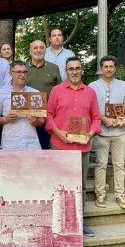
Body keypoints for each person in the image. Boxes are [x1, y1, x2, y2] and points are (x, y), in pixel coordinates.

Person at [46, 56, 101, 237]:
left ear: (82, 70)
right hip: (60, 145)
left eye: (78, 68)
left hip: (81, 147)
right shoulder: (56, 90)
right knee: (58, 185)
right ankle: (56, 223)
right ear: (66, 71)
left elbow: (96, 118)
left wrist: (90, 134)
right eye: (71, 69)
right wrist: (59, 132)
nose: (74, 72)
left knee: (80, 186)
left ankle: (79, 220)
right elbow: (49, 115)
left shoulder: (90, 92)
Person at [89, 55, 125, 209]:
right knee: (100, 164)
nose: (108, 69)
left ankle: (120, 196)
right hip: (101, 132)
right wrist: (103, 119)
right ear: (101, 68)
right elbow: (90, 108)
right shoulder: (92, 86)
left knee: (119, 165)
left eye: (111, 66)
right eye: (105, 66)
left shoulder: (123, 85)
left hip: (120, 132)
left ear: (115, 68)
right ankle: (100, 194)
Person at [0, 60, 44, 149]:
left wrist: (35, 121)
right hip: (10, 143)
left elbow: (42, 121)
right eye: (19, 72)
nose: (22, 75)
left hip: (32, 143)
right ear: (11, 73)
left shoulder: (35, 93)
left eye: (25, 72)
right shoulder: (1, 93)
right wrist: (6, 119)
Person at [26, 39, 62, 149]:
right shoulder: (23, 68)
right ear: (30, 51)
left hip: (47, 117)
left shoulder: (53, 68)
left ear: (45, 51)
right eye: (35, 48)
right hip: (26, 117)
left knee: (45, 150)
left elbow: (60, 91)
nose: (38, 50)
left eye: (41, 48)